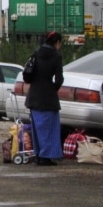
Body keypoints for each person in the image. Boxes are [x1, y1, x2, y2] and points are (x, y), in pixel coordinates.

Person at [24, 31, 64, 166]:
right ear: (57, 42)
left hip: (34, 94)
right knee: (50, 128)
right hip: (49, 96)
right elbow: (59, 79)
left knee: (37, 128)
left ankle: (39, 154)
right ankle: (47, 156)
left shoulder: (36, 53)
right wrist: (53, 89)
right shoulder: (57, 56)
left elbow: (27, 75)